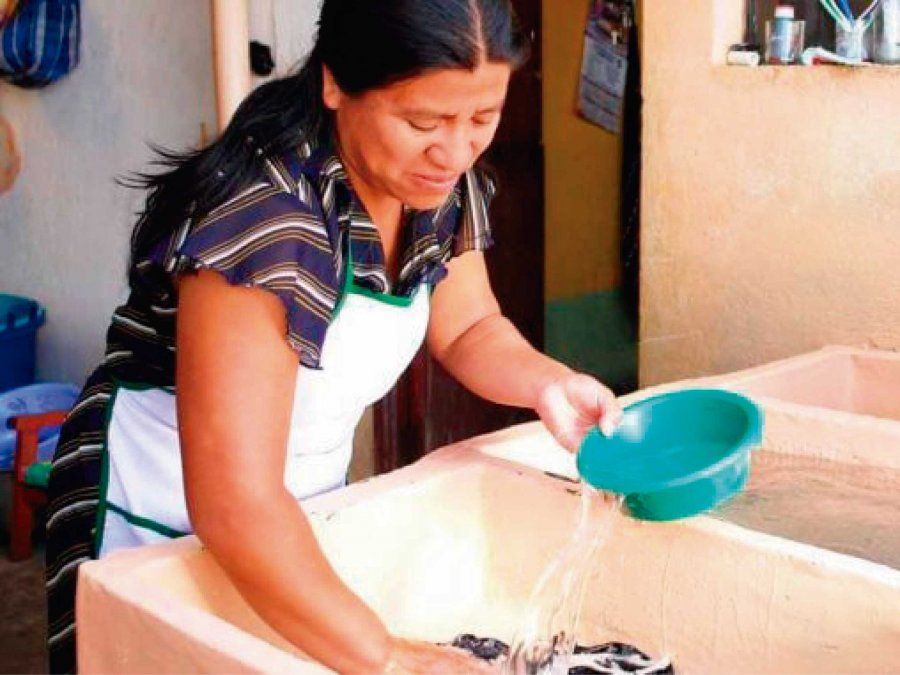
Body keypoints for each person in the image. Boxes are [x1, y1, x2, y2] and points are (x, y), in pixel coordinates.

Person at [45, 1, 623, 672]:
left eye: (481, 119)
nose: (455, 150)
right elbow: (235, 502)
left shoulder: (438, 185)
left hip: (293, 505)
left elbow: (468, 325)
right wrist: (390, 655)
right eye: (422, 121)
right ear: (336, 84)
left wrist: (547, 383)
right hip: (157, 500)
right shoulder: (266, 219)